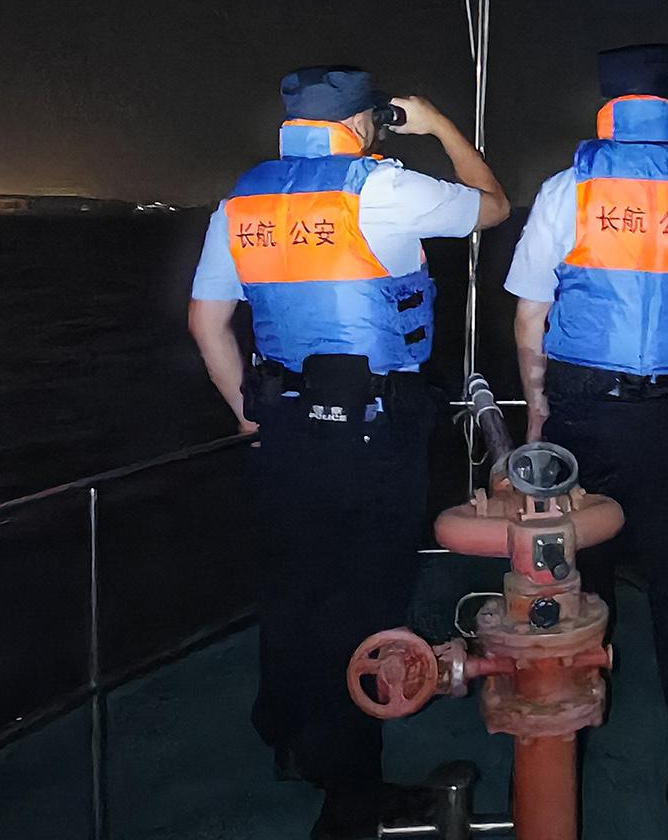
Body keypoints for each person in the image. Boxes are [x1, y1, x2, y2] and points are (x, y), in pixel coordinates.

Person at [188, 66, 508, 840]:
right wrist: (438, 125)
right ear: (364, 123)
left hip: (286, 431)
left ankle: (291, 740)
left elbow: (206, 322)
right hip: (371, 436)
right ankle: (352, 799)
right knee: (364, 607)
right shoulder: (383, 188)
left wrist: (250, 417)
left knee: (294, 591)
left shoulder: (242, 200)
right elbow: (493, 206)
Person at [504, 43, 668, 840]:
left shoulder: (568, 187)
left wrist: (540, 415)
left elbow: (529, 316)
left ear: (608, 107)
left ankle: (561, 778)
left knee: (567, 607)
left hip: (583, 425)